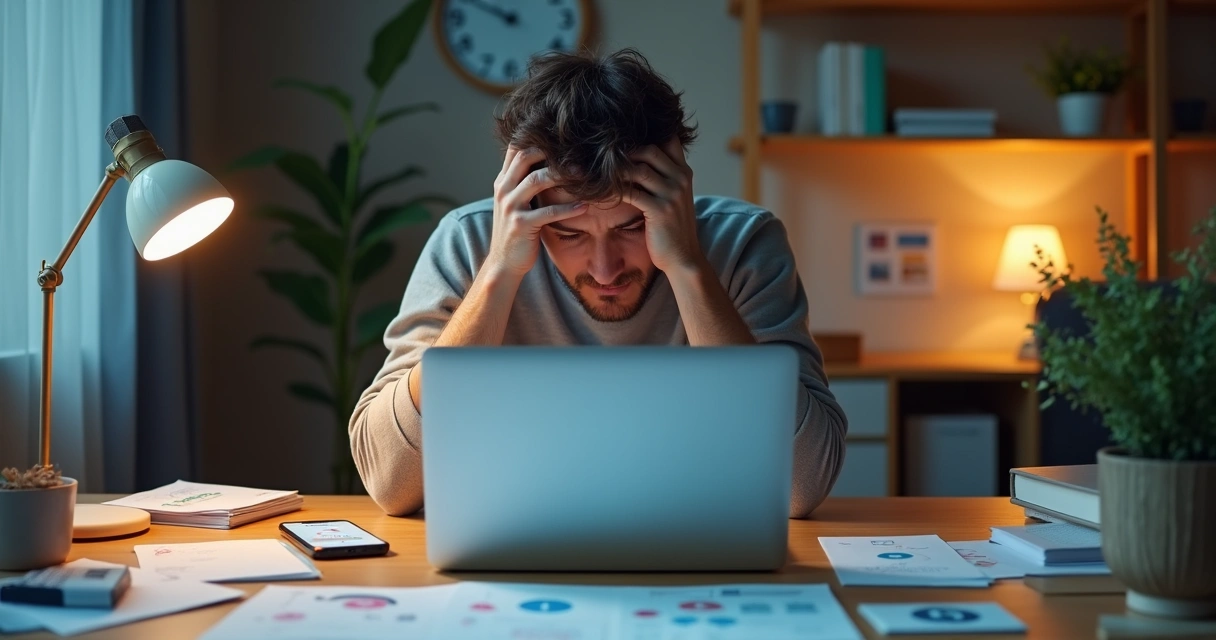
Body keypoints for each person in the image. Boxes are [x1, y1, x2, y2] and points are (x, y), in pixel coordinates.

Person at [349, 48, 847, 519]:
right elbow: (391, 481)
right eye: (569, 234)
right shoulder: (470, 243)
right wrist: (499, 272)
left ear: (677, 191)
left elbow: (800, 486)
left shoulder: (743, 245)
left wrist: (687, 266)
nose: (606, 270)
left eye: (632, 227)